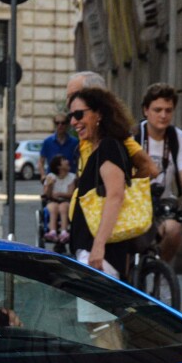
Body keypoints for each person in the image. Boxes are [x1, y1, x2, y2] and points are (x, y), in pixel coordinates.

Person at [68, 86, 139, 278]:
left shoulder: (109, 147)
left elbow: (115, 195)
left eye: (79, 114)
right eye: (72, 116)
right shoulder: (99, 149)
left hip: (100, 256)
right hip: (93, 253)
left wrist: (98, 246)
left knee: (90, 309)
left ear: (98, 114)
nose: (74, 121)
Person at [138, 82, 182, 262]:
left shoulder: (179, 139)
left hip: (162, 202)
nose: (163, 115)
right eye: (157, 110)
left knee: (174, 230)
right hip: (134, 201)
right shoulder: (133, 136)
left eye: (168, 110)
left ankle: (161, 273)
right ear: (145, 110)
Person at [66, 71, 158, 180]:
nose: (68, 103)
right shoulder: (87, 135)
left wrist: (125, 187)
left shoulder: (114, 140)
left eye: (74, 95)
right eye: (68, 97)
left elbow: (150, 169)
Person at [42, 155, 75, 244]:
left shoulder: (71, 177)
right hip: (52, 201)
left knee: (63, 207)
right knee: (53, 208)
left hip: (66, 201)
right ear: (59, 166)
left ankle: (64, 232)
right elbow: (46, 195)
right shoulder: (50, 176)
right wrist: (49, 185)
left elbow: (71, 194)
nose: (67, 161)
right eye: (64, 160)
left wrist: (59, 194)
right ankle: (52, 231)